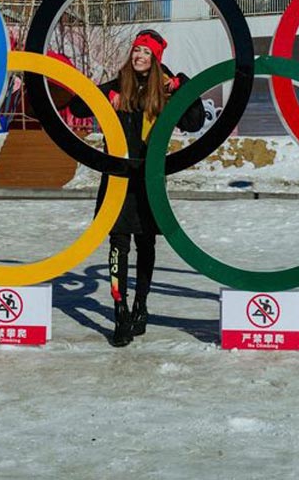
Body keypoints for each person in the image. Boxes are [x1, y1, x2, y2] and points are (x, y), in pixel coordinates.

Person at [68, 29, 205, 347]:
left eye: (145, 51)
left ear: (156, 58)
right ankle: (120, 311)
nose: (138, 55)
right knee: (118, 246)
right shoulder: (118, 87)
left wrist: (183, 84)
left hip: (149, 181)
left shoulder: (167, 90)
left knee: (146, 246)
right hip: (117, 180)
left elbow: (195, 122)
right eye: (135, 51)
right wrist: (102, 99)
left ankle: (141, 305)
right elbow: (76, 108)